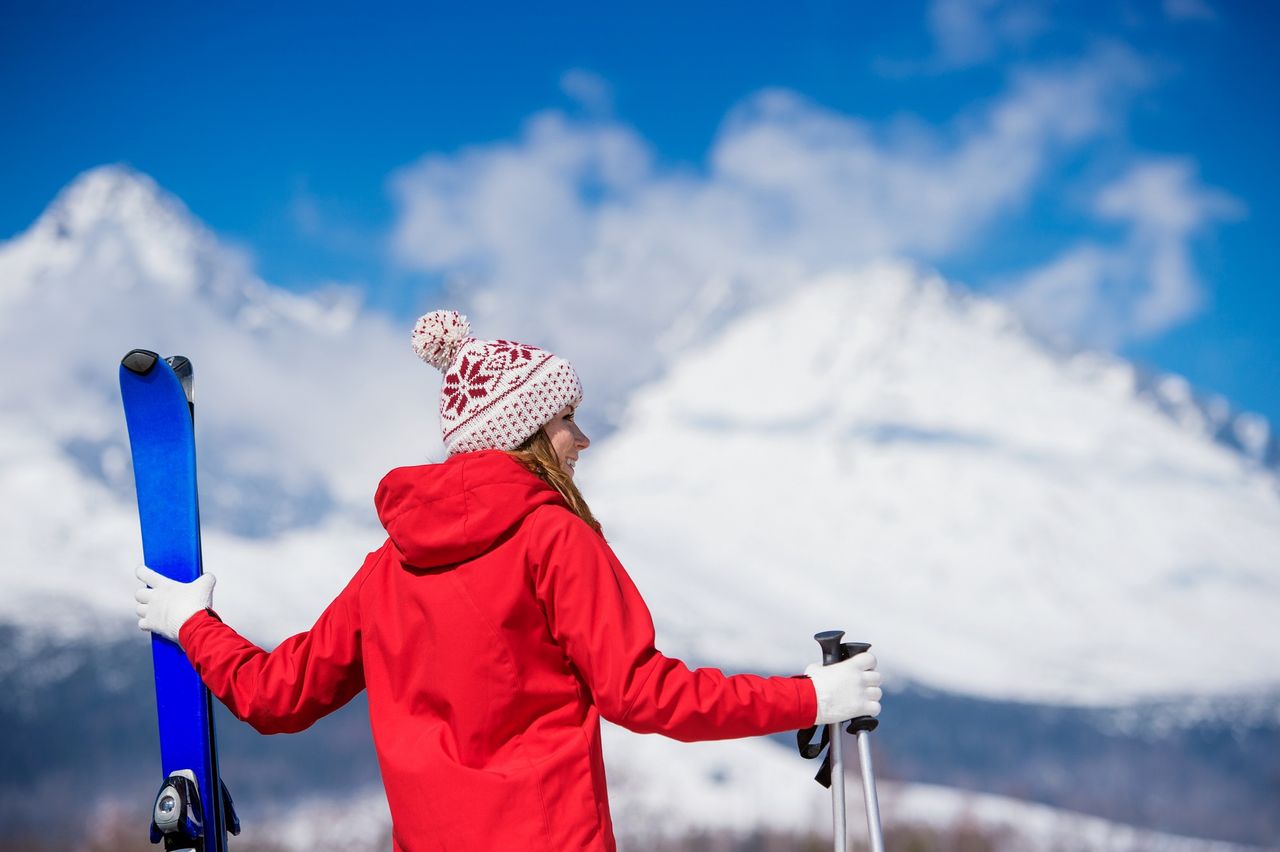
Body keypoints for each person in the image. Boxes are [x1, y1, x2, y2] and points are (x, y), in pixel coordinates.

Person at [134, 309, 882, 852]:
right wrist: (810, 696)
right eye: (567, 420)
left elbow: (275, 696)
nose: (581, 439)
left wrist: (192, 624)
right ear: (525, 433)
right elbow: (646, 694)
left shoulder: (387, 568)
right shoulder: (554, 539)